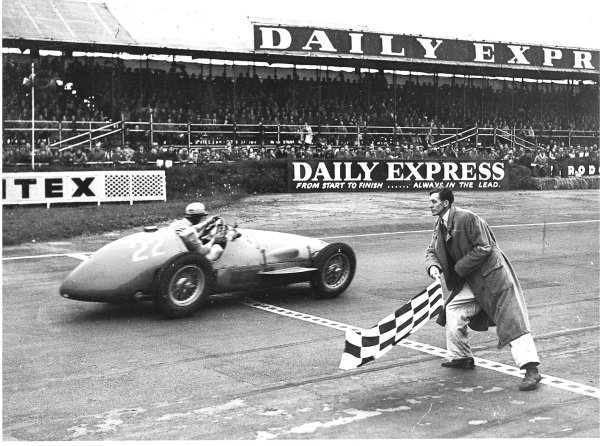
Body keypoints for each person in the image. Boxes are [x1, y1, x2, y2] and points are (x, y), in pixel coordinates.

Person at [425, 188, 542, 391]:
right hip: (472, 280)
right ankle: (461, 357)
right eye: (430, 201)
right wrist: (433, 266)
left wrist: (458, 268)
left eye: (434, 201)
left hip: (494, 277)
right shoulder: (440, 224)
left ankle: (532, 370)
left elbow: (484, 247)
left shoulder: (467, 218)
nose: (430, 205)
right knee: (453, 309)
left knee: (512, 320)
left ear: (446, 203)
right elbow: (432, 250)